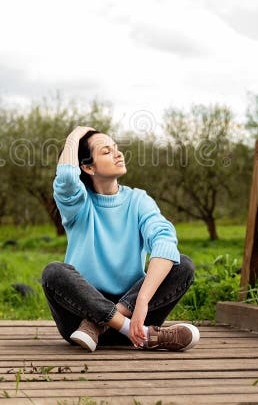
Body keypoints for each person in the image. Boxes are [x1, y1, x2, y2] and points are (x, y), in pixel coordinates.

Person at [41, 126, 199, 352]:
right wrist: (74, 135)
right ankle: (146, 336)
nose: (118, 154)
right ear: (86, 167)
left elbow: (164, 239)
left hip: (133, 311)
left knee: (182, 264)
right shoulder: (78, 205)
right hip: (80, 321)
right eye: (106, 151)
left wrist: (142, 300)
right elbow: (66, 177)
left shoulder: (138, 200)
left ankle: (102, 324)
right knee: (54, 272)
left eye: (116, 148)